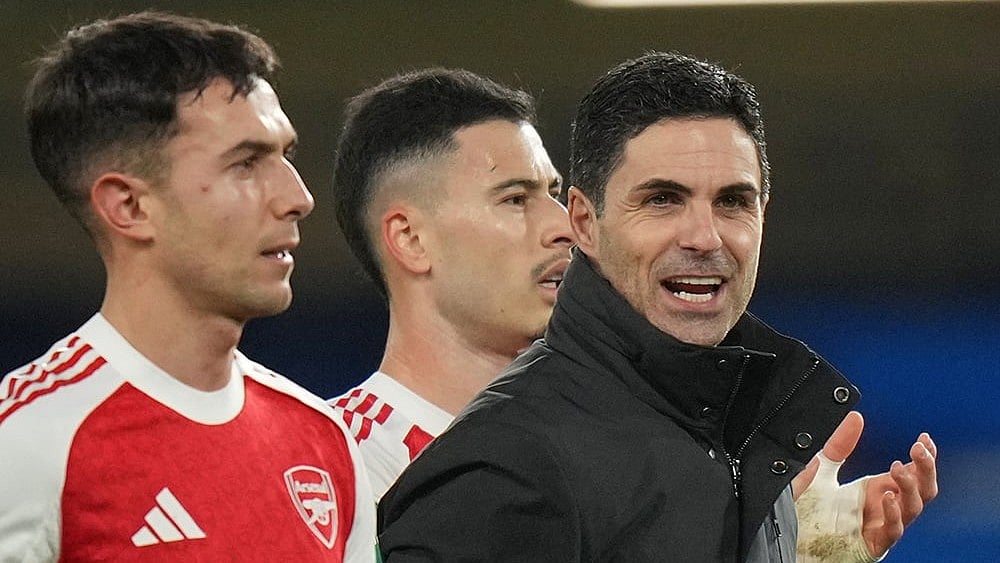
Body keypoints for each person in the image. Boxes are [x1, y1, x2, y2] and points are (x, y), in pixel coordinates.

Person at [377, 52, 937, 561]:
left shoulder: (742, 444)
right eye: (662, 200)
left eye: (733, 202)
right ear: (583, 223)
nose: (704, 237)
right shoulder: (505, 470)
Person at [0, 12, 375, 561]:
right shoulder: (29, 443)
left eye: (285, 155)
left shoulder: (323, 441)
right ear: (128, 206)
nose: (297, 197)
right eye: (246, 163)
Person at [329, 67, 574, 500]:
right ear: (411, 239)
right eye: (515, 199)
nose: (564, 226)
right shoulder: (337, 466)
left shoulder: (608, 444)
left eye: (552, 193)